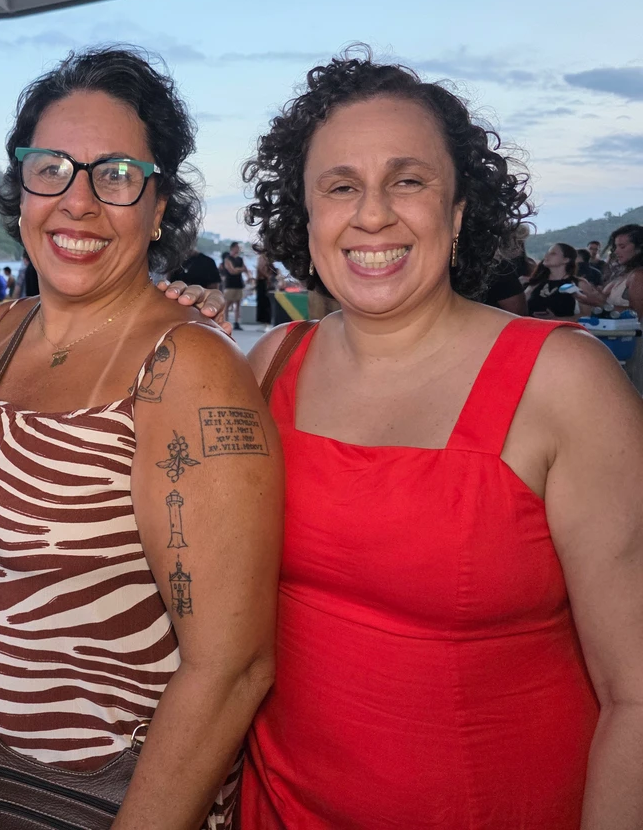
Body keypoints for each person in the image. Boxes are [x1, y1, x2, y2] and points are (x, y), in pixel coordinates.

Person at [226, 51, 643, 827]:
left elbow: (636, 694)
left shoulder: (564, 383)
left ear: (456, 213)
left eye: (408, 181)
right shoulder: (271, 364)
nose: (373, 213)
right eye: (340, 186)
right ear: (307, 215)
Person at [0, 47, 282, 830]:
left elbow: (232, 668)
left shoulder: (187, 369)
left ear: (158, 203)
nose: (78, 202)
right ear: (21, 185)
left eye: (114, 175)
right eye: (52, 169)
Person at [577, 223, 643, 391]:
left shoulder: (639, 275)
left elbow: (638, 315)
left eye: (622, 246)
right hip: (616, 342)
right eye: (615, 246)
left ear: (639, 247)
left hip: (633, 345)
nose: (616, 251)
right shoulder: (623, 273)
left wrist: (600, 302)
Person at [525, 243, 579, 318]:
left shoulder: (577, 283)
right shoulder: (536, 282)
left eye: (553, 254)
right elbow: (520, 307)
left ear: (566, 260)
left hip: (561, 328)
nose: (546, 256)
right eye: (547, 253)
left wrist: (556, 319)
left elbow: (585, 315)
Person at [220, 241, 249, 329]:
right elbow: (232, 271)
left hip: (239, 284)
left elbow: (245, 269)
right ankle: (225, 321)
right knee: (227, 304)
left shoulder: (240, 259)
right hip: (230, 284)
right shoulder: (228, 259)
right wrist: (240, 269)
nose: (239, 249)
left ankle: (236, 323)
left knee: (238, 304)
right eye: (237, 247)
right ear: (233, 248)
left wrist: (238, 269)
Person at [253, 251, 273, 325]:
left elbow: (261, 268)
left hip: (264, 281)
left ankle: (265, 320)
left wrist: (268, 276)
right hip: (263, 281)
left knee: (265, 301)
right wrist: (268, 276)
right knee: (263, 301)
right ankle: (264, 320)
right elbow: (261, 269)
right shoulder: (263, 257)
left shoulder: (265, 257)